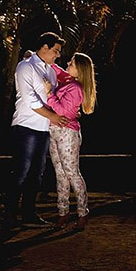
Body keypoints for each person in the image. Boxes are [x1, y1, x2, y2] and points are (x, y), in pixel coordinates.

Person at [3, 32, 69, 229]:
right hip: (26, 126)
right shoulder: (26, 66)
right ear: (44, 47)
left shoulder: (50, 72)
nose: (58, 55)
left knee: (37, 173)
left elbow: (54, 96)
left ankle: (29, 213)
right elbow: (30, 99)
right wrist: (53, 116)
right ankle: (10, 214)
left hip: (43, 129)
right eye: (55, 50)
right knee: (21, 171)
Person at [44, 52, 97, 230]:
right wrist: (40, 58)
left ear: (79, 70)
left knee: (72, 173)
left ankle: (82, 213)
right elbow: (58, 70)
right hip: (54, 130)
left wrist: (49, 93)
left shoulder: (75, 87)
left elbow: (62, 112)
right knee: (60, 174)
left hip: (67, 133)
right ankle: (63, 212)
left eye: (72, 63)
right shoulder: (68, 81)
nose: (68, 63)